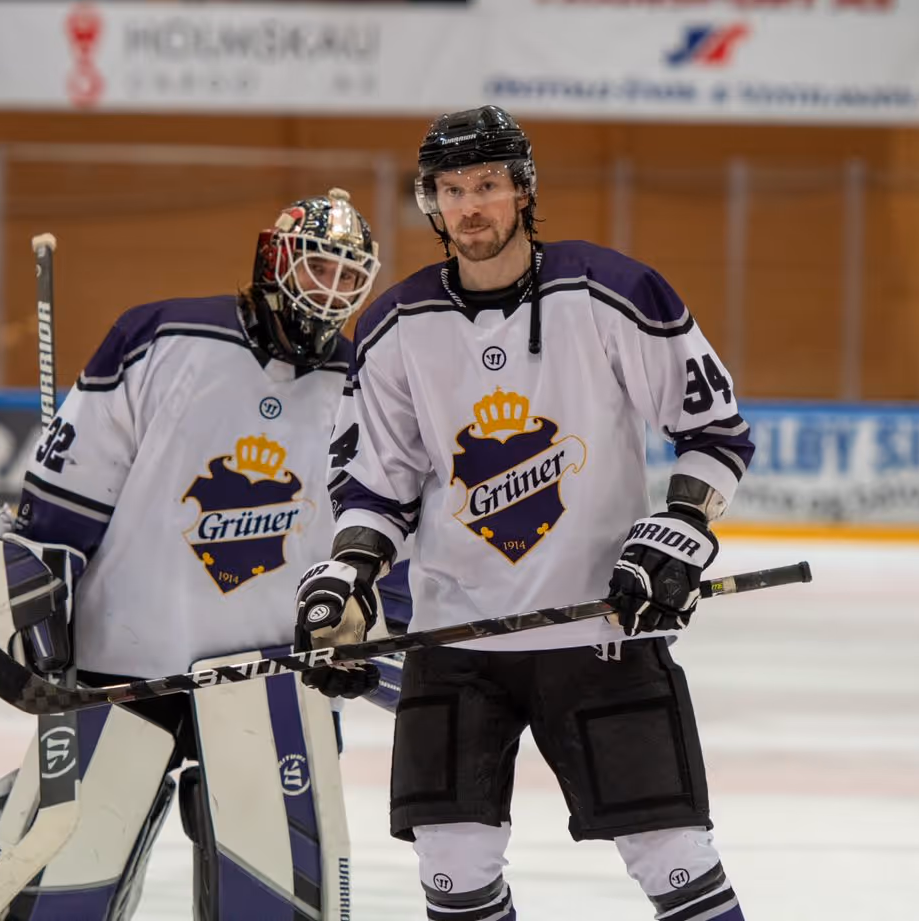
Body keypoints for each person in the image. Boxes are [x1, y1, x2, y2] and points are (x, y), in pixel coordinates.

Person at [293, 106, 754, 921]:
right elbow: (376, 486)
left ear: (523, 190)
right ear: (431, 203)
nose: (469, 206)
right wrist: (348, 575)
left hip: (601, 629)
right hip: (455, 640)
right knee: (451, 871)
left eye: (487, 185)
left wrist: (681, 527)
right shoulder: (396, 324)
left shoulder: (610, 289)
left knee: (673, 857)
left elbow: (714, 431)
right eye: (451, 190)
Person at [0, 188, 382, 919]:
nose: (332, 289)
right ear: (274, 257)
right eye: (319, 266)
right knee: (61, 901)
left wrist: (364, 628)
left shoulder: (367, 381)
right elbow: (66, 499)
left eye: (349, 275)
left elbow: (380, 522)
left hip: (269, 675)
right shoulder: (161, 336)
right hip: (123, 662)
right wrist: (39, 598)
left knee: (273, 907)